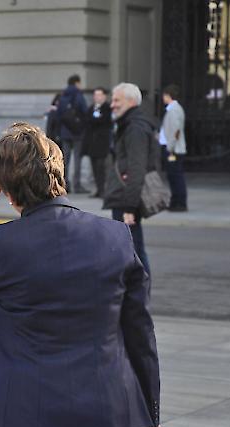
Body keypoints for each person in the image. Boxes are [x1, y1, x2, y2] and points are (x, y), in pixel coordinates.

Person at [0, 122, 162, 427]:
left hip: (20, 411)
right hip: (107, 409)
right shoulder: (115, 236)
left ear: (8, 192)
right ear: (59, 176)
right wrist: (151, 418)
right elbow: (140, 336)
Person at [104, 82, 160, 279]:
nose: (112, 104)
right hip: (125, 195)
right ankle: (134, 296)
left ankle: (140, 297)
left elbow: (137, 168)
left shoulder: (134, 127)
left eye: (117, 100)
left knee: (133, 251)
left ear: (130, 101)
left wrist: (129, 207)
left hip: (127, 198)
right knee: (129, 250)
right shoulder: (129, 124)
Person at [57, 74, 88, 193]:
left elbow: (58, 115)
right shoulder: (79, 95)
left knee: (65, 159)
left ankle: (65, 183)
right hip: (77, 132)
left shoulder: (63, 96)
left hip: (65, 131)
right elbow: (84, 111)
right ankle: (77, 185)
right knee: (77, 159)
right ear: (76, 83)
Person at [159, 84, 188, 212]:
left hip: (174, 150)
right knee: (173, 176)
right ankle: (176, 201)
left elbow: (176, 130)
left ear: (168, 96)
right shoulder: (172, 109)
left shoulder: (174, 110)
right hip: (172, 148)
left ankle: (179, 202)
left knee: (176, 176)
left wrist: (170, 146)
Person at [83, 87, 113, 198]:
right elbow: (87, 121)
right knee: (94, 167)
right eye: (95, 95)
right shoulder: (91, 108)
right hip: (92, 143)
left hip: (103, 142)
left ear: (104, 96)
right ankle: (98, 189)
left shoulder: (108, 108)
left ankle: (103, 189)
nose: (97, 97)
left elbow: (105, 121)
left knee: (101, 167)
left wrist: (95, 121)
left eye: (99, 95)